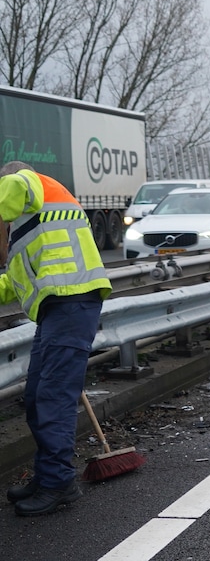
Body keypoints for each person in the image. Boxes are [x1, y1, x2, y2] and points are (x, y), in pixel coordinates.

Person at [1, 161, 112, 516]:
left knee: (52, 398)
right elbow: (14, 285)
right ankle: (47, 475)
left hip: (72, 305)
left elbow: (12, 190)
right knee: (37, 396)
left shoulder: (31, 184)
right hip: (61, 309)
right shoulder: (31, 225)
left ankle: (58, 484)